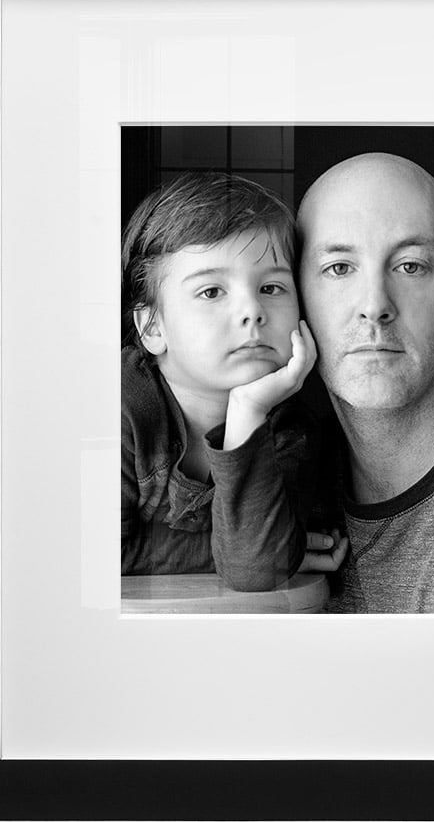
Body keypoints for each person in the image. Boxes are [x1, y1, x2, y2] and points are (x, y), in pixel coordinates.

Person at [121, 171, 347, 590]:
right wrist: (244, 550)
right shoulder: (119, 406)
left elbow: (257, 568)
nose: (252, 310)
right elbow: (102, 553)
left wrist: (248, 411)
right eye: (212, 292)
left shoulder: (287, 427)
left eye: (272, 287)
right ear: (153, 327)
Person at [297, 152, 434, 613]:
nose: (375, 305)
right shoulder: (286, 485)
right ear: (296, 298)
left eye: (410, 266)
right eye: (339, 268)